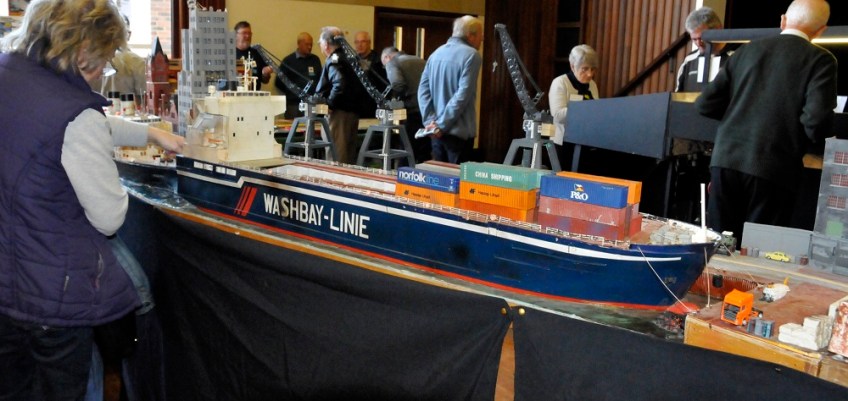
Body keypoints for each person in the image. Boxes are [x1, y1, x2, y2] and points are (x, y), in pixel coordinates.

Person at [0, 1, 185, 400]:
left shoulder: (11, 72)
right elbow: (109, 216)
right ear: (84, 50)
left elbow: (65, 123)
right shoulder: (74, 114)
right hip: (54, 295)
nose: (104, 70)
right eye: (105, 58)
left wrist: (151, 133)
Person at [695, 0, 837, 245]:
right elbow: (816, 120)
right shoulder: (821, 60)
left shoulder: (747, 50)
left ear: (783, 20)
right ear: (821, 30)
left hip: (725, 161)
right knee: (758, 251)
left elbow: (705, 104)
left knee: (717, 245)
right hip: (774, 168)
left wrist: (742, 116)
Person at [418, 15, 483, 164]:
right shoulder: (472, 55)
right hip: (458, 134)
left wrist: (431, 122)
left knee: (439, 176)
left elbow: (423, 91)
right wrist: (441, 125)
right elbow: (463, 95)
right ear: (471, 36)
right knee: (458, 177)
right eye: (481, 35)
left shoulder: (435, 54)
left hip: (435, 133)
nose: (482, 39)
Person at [315, 26, 369, 165]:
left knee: (336, 156)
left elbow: (339, 83)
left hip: (338, 114)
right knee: (347, 156)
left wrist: (330, 104)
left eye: (320, 43)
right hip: (352, 112)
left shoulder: (334, 59)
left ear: (326, 45)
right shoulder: (350, 57)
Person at [381, 46, 428, 163]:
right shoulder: (419, 60)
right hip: (428, 110)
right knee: (424, 150)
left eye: (384, 65)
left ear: (387, 57)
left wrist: (396, 100)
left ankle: (404, 173)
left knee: (407, 150)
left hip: (413, 111)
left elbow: (397, 84)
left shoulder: (393, 63)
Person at [548, 44, 599, 147]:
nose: (590, 74)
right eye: (585, 69)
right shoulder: (560, 82)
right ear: (572, 66)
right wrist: (583, 107)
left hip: (586, 140)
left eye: (592, 69)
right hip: (563, 142)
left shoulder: (592, 85)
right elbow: (557, 116)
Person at [676, 7, 733, 93]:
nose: (698, 43)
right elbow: (678, 95)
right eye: (694, 39)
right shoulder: (689, 60)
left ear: (718, 29)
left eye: (702, 38)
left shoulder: (736, 57)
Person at [93, 15, 146, 101]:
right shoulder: (137, 62)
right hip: (126, 108)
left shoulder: (88, 62)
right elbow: (145, 99)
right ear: (128, 34)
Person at [276, 32, 323, 119]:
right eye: (307, 44)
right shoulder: (288, 61)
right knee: (294, 127)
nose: (309, 47)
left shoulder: (315, 60)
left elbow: (320, 79)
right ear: (299, 44)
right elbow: (279, 82)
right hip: (294, 106)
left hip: (312, 105)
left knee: (313, 126)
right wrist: (292, 92)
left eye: (311, 44)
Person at [354, 30, 388, 118]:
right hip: (355, 106)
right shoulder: (351, 61)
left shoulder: (379, 61)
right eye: (357, 42)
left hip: (373, 106)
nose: (359, 45)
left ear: (369, 43)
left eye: (363, 42)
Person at [234, 21, 272, 90]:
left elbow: (265, 81)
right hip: (232, 95)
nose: (248, 36)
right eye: (244, 33)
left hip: (254, 95)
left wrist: (266, 74)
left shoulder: (257, 53)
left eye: (249, 33)